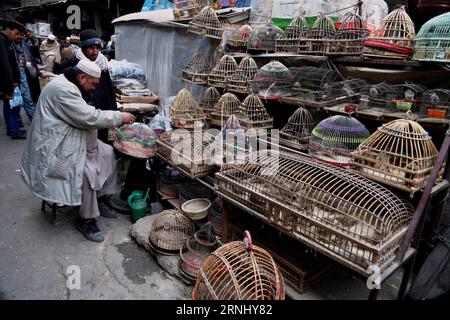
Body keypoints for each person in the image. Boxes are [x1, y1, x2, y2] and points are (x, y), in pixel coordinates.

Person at [21, 59, 136, 242]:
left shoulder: (72, 82)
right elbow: (88, 117)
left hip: (79, 139)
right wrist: (119, 116)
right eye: (93, 84)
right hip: (58, 145)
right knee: (87, 172)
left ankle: (101, 199)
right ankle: (87, 219)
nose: (94, 88)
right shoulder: (62, 89)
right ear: (82, 77)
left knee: (109, 153)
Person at [59, 29, 117, 144]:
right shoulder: (72, 64)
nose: (95, 52)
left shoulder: (102, 63)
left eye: (97, 48)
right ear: (83, 48)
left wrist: (114, 111)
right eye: (91, 48)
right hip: (83, 112)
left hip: (102, 110)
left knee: (102, 144)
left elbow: (108, 88)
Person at [1, 20, 26, 139]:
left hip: (11, 81)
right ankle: (14, 131)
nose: (16, 36)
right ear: (8, 29)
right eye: (16, 33)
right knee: (15, 106)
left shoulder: (7, 41)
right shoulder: (2, 42)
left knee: (8, 105)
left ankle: (11, 129)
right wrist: (10, 85)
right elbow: (5, 65)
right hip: (10, 82)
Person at [13, 26, 37, 122]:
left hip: (23, 77)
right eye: (17, 34)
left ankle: (34, 121)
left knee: (28, 99)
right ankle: (16, 123)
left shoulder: (24, 45)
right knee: (15, 103)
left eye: (21, 35)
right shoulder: (9, 45)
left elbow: (34, 49)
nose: (19, 37)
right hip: (13, 78)